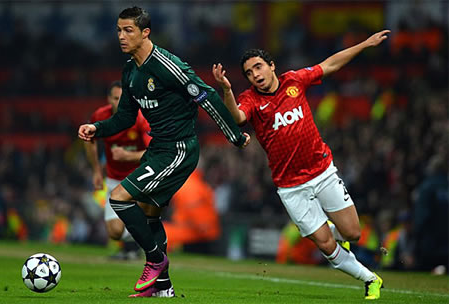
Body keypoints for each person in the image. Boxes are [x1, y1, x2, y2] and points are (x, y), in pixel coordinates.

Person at [78, 6, 250, 298]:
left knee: (119, 199)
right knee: (149, 216)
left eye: (128, 30)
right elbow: (125, 119)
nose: (121, 36)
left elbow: (205, 95)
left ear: (145, 33)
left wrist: (234, 135)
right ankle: (164, 288)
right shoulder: (130, 70)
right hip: (158, 148)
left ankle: (155, 259)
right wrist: (98, 128)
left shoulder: (168, 65)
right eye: (119, 30)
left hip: (179, 149)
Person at [212, 30, 390, 300]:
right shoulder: (250, 99)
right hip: (290, 186)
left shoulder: (294, 80)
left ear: (271, 66)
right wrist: (226, 89)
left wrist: (364, 44)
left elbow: (329, 64)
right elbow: (236, 117)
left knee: (353, 233)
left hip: (322, 172)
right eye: (248, 72)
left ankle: (331, 229)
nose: (255, 74)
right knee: (325, 245)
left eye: (258, 66)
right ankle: (370, 279)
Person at [84, 80, 151, 259]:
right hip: (113, 179)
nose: (119, 102)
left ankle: (138, 248)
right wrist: (97, 170)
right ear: (109, 99)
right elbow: (89, 140)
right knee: (114, 232)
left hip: (138, 178)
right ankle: (134, 244)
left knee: (142, 211)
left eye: (123, 98)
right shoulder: (100, 116)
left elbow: (154, 151)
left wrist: (128, 156)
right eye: (115, 98)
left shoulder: (140, 119)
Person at [163, 169, 221, 252]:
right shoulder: (195, 183)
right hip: (202, 231)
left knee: (161, 232)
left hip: (197, 233)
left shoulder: (188, 185)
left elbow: (195, 211)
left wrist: (204, 229)